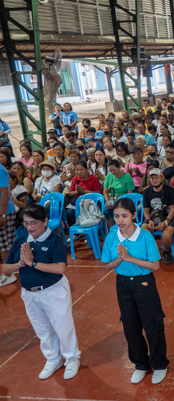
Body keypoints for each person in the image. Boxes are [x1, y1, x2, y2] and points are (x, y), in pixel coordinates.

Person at [1, 203, 80, 379]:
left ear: (45, 221)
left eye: (33, 223)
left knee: (63, 327)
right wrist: (20, 263)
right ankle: (53, 359)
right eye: (26, 223)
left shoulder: (55, 240)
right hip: (29, 293)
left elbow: (60, 268)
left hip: (53, 291)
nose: (29, 227)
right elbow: (6, 269)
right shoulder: (21, 242)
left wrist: (32, 263)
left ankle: (72, 358)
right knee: (42, 329)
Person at [102, 198, 168, 384]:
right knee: (130, 326)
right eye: (116, 216)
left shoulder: (145, 236)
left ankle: (159, 364)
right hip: (123, 284)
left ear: (133, 216)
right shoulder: (112, 236)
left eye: (124, 216)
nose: (120, 220)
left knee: (152, 325)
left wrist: (129, 258)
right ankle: (140, 364)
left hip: (144, 283)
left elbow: (154, 265)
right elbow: (108, 266)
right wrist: (120, 260)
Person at [141, 168, 174, 265]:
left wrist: (166, 222)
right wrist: (149, 220)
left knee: (166, 235)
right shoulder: (147, 192)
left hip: (167, 217)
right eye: (152, 178)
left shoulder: (170, 190)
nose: (154, 180)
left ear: (162, 178)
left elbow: (173, 209)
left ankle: (166, 251)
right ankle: (151, 253)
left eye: (156, 177)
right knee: (143, 232)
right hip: (152, 218)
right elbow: (146, 210)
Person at [65, 161, 102, 226]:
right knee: (69, 213)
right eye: (77, 170)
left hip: (91, 203)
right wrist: (77, 192)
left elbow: (98, 193)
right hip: (78, 203)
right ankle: (76, 233)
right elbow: (69, 193)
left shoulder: (93, 178)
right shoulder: (75, 178)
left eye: (81, 170)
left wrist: (84, 191)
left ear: (87, 169)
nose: (79, 172)